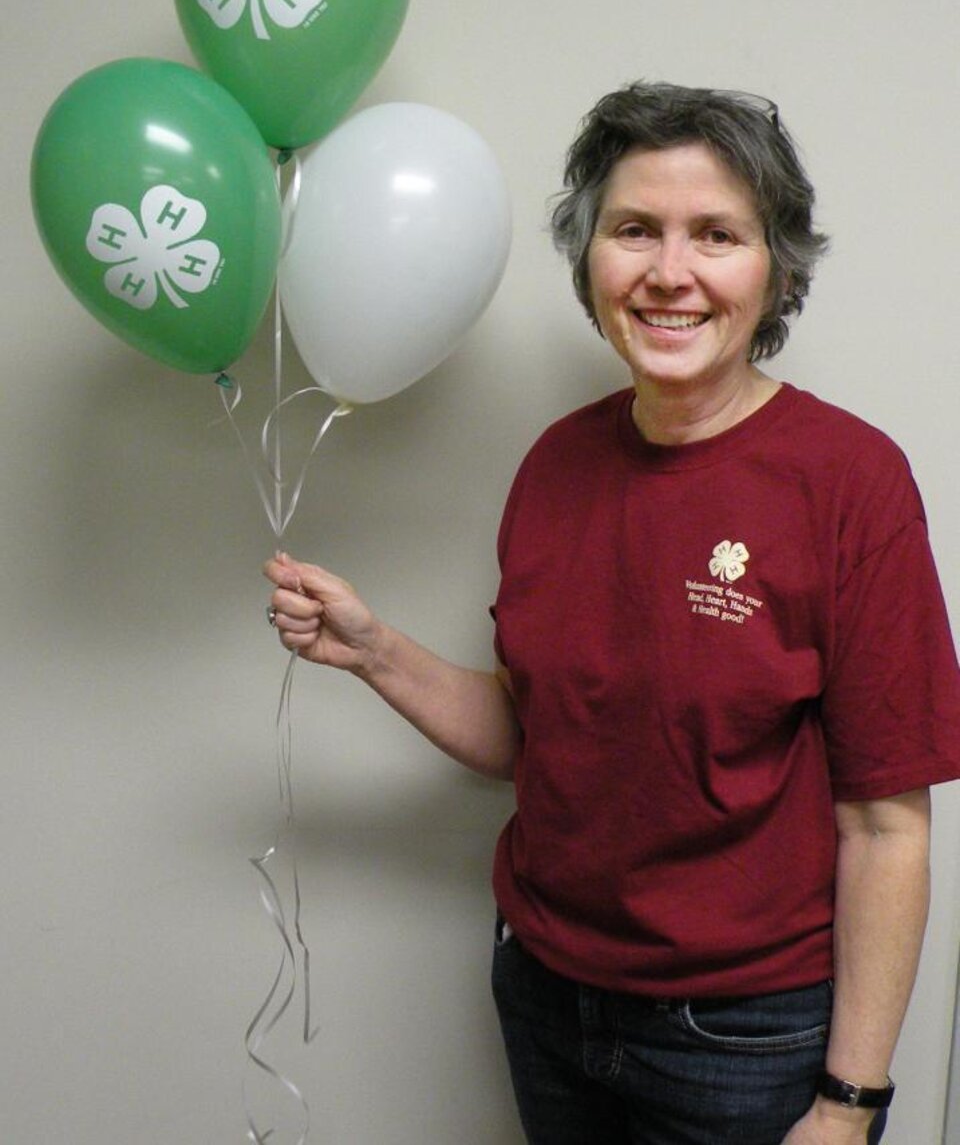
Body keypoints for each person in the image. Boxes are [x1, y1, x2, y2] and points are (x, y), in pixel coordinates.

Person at [264, 82, 960, 1144]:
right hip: (544, 994)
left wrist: (851, 1102)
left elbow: (885, 825)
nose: (669, 272)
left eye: (716, 235)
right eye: (635, 230)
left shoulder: (850, 482)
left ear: (772, 267)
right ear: (590, 256)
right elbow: (535, 736)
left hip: (742, 1037)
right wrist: (374, 652)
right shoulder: (556, 463)